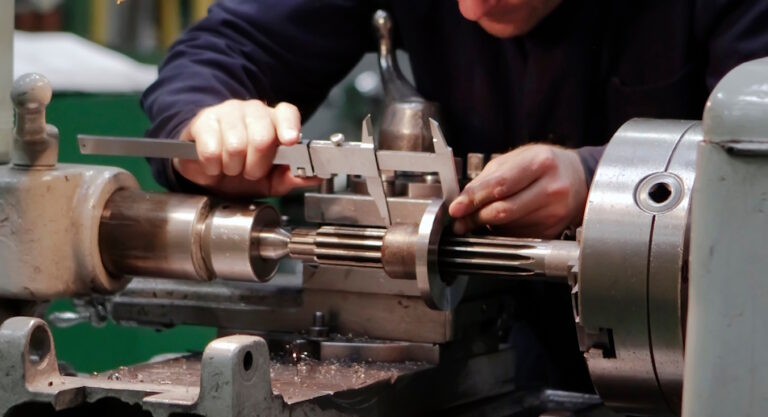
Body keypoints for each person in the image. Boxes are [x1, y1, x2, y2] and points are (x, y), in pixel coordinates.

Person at [142, 0, 768, 239]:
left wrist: (599, 180)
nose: (470, 9)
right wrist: (207, 121)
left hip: (706, 364)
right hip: (483, 347)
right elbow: (230, 45)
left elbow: (754, 153)